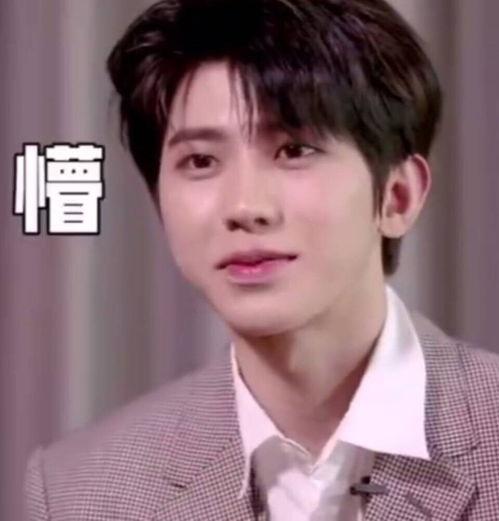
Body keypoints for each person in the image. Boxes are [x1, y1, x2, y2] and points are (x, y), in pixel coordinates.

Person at [24, 0, 499, 519]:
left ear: (397, 197)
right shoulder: (80, 491)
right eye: (200, 161)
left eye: (294, 150)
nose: (245, 207)